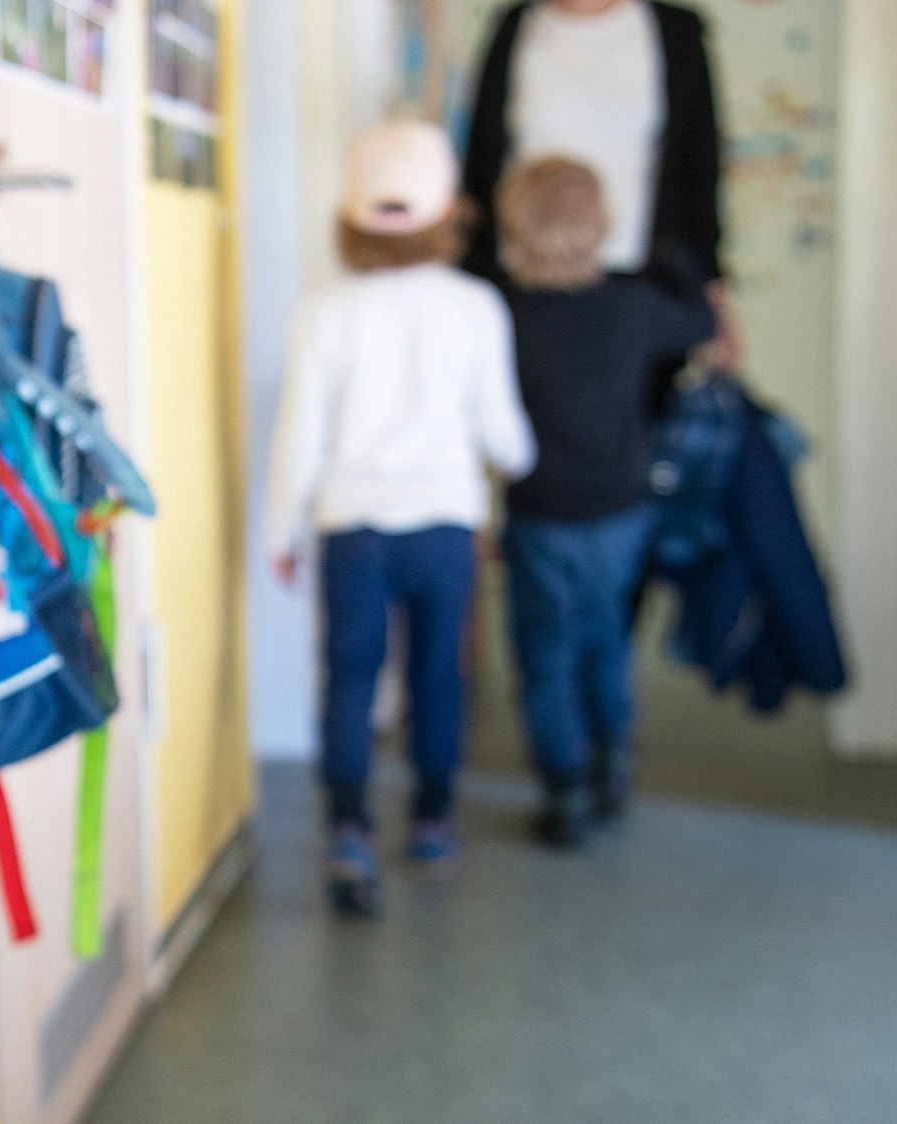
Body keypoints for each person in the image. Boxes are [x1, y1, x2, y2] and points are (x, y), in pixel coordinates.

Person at [266, 120, 535, 916]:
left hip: (352, 526)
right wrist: (520, 463)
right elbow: (504, 436)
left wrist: (282, 531)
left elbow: (299, 435)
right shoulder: (476, 308)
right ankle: (431, 821)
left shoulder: (324, 312)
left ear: (347, 218)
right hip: (446, 527)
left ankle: (347, 829)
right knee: (436, 679)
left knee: (349, 677)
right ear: (449, 214)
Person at [492, 157, 715, 847]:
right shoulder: (632, 307)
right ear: (601, 223)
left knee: (544, 648)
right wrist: (669, 261)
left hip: (538, 511)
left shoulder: (504, 312)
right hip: (621, 508)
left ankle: (563, 788)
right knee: (606, 639)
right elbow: (700, 320)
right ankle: (612, 760)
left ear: (514, 226)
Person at [462, 0, 735, 366]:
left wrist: (714, 292)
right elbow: (481, 159)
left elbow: (699, 167)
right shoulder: (515, 26)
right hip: (523, 283)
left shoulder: (676, 31)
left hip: (641, 279)